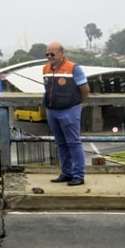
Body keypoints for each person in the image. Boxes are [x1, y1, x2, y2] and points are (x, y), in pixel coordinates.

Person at [43, 41, 90, 186]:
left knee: (73, 142)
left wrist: (76, 103)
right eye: (47, 54)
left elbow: (85, 89)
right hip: (52, 110)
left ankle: (78, 175)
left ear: (61, 53)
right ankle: (67, 172)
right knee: (61, 143)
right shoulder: (45, 69)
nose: (49, 57)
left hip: (69, 110)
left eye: (52, 54)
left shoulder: (73, 68)